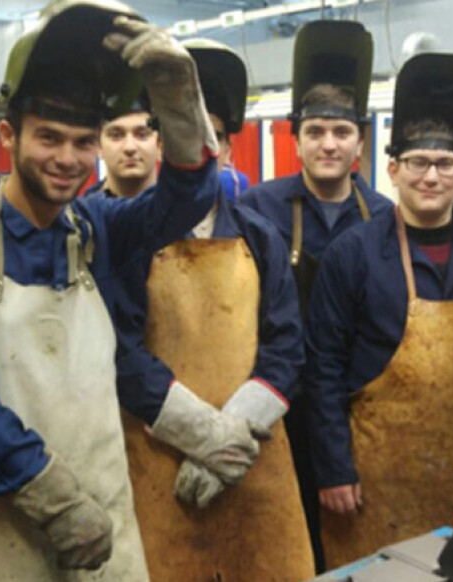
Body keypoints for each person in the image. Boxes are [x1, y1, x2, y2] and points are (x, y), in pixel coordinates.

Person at [0, 1, 235, 578]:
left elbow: (185, 200)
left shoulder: (94, 230)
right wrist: (56, 501)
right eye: (49, 138)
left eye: (84, 142)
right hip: (8, 523)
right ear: (7, 134)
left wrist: (183, 107)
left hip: (105, 514)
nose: (67, 160)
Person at [306, 53, 453, 566]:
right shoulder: (353, 254)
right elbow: (323, 370)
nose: (431, 177)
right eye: (418, 164)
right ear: (394, 170)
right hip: (381, 477)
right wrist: (334, 468)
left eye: (445, 165)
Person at [114, 38, 312, 580]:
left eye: (217, 139)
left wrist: (234, 435)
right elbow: (122, 355)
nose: (207, 149)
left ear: (226, 150)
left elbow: (287, 349)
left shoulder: (261, 238)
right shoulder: (129, 236)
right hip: (160, 465)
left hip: (255, 461)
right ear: (160, 143)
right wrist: (201, 436)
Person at [235, 21, 392, 570]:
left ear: (360, 142)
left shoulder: (387, 219)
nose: (329, 144)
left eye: (342, 132)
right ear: (294, 137)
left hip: (363, 412)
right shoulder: (256, 210)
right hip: (276, 411)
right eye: (317, 131)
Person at [84, 99, 159, 199]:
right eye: (116, 135)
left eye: (142, 135)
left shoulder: (182, 209)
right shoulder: (78, 213)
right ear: (98, 146)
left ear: (160, 144)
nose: (129, 147)